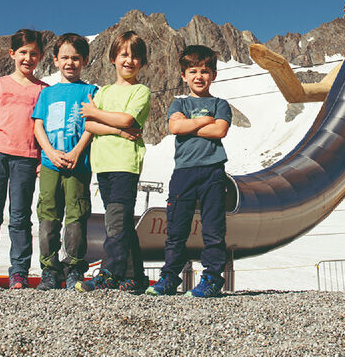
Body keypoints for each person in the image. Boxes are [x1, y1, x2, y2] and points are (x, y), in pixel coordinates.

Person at [145, 45, 231, 298]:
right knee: (176, 229)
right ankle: (170, 277)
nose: (199, 76)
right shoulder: (178, 102)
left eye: (205, 71)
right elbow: (174, 127)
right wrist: (204, 121)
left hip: (213, 172)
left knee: (213, 228)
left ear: (213, 75)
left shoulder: (221, 104)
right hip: (183, 173)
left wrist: (188, 125)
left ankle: (213, 278)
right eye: (192, 71)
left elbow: (219, 131)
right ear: (183, 75)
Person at [75, 31, 151, 293]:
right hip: (103, 164)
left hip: (125, 164)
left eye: (135, 56)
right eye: (124, 55)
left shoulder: (141, 91)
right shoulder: (104, 91)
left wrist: (98, 114)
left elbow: (127, 119)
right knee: (121, 221)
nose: (129, 61)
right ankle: (135, 276)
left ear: (142, 62)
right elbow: (90, 124)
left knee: (115, 221)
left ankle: (109, 272)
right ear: (113, 58)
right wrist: (114, 128)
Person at [0, 29, 48, 290]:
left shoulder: (43, 90)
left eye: (34, 53)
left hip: (26, 159)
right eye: (23, 52)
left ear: (41, 57)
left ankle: (19, 271)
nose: (28, 58)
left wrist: (40, 159)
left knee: (20, 217)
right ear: (12, 54)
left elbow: (43, 129)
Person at [32, 33, 98, 290]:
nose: (70, 63)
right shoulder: (48, 94)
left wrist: (76, 152)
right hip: (50, 165)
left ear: (85, 61)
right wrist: (49, 151)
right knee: (48, 215)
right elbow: (39, 126)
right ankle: (49, 270)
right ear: (55, 61)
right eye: (65, 58)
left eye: (76, 58)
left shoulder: (91, 91)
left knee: (76, 216)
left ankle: (74, 268)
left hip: (77, 166)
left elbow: (91, 125)